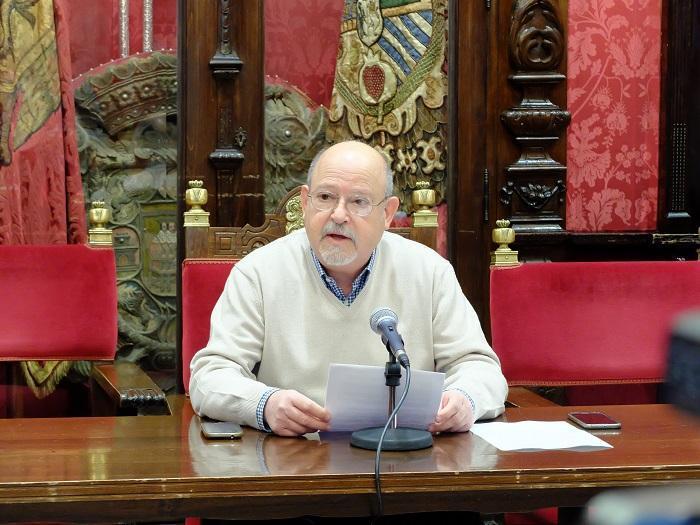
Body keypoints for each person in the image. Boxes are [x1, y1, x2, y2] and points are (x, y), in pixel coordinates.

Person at [189, 140, 507, 437]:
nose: (339, 215)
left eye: (358, 202)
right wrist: (265, 405)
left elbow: (480, 369)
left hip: (409, 456)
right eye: (325, 197)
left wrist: (464, 400)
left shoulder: (429, 271)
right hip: (295, 460)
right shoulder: (258, 272)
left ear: (386, 212)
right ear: (304, 203)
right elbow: (210, 377)